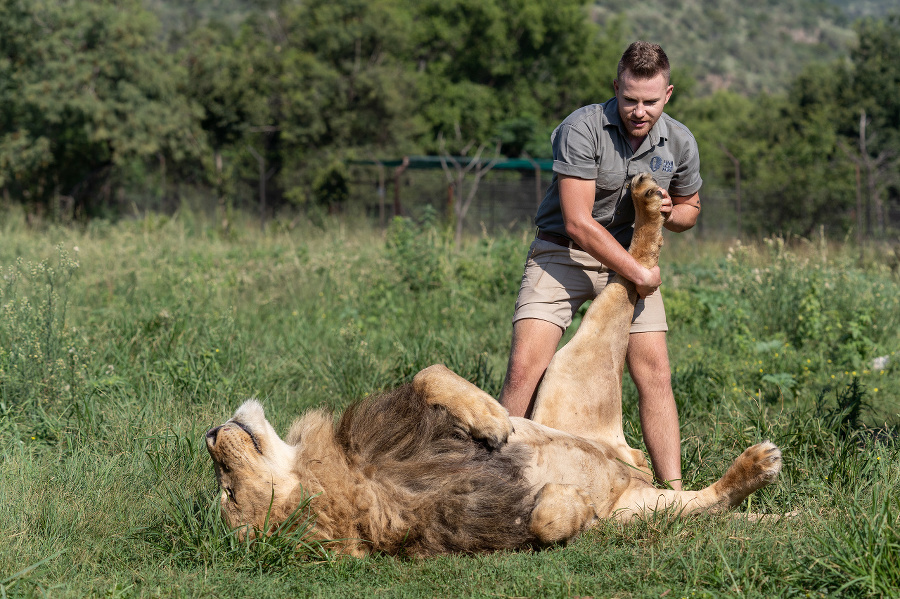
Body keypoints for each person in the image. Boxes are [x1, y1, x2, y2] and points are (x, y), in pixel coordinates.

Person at [498, 41, 702, 491]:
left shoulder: (680, 140)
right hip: (563, 253)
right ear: (616, 88)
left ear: (668, 94)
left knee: (654, 372)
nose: (638, 110)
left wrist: (671, 212)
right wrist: (639, 272)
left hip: (630, 260)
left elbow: (691, 209)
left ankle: (673, 493)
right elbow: (577, 221)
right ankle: (497, 479)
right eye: (629, 98)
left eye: (650, 101)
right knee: (525, 367)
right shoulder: (582, 127)